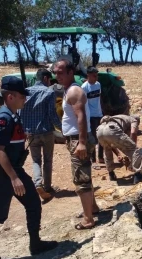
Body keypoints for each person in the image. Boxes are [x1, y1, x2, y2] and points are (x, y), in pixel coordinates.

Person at [0, 76, 58, 259]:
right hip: (5, 173)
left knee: (33, 203)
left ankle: (35, 243)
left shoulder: (13, 115)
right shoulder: (4, 117)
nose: (25, 98)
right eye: (22, 96)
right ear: (10, 97)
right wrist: (14, 178)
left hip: (13, 171)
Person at [53, 59, 99, 230]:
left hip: (78, 139)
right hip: (75, 139)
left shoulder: (73, 91)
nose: (57, 76)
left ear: (71, 72)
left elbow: (81, 117)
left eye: (61, 72)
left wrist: (81, 143)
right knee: (85, 175)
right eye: (55, 72)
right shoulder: (68, 90)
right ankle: (92, 208)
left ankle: (88, 219)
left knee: (81, 179)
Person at [20, 69, 62, 200]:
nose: (50, 82)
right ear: (45, 78)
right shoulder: (49, 92)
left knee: (36, 160)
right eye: (49, 80)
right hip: (46, 132)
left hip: (31, 133)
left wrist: (24, 130)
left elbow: (21, 112)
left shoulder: (26, 92)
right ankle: (47, 187)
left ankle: (38, 183)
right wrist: (62, 129)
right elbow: (52, 114)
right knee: (48, 160)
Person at [97, 114, 142, 184]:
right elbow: (133, 133)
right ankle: (138, 175)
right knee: (135, 150)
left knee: (107, 150)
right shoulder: (134, 120)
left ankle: (111, 174)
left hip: (99, 130)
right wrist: (132, 148)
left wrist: (118, 154)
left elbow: (112, 142)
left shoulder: (120, 118)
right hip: (112, 129)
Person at [81, 66, 104, 163]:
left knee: (102, 136)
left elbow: (100, 99)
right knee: (93, 138)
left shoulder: (98, 84)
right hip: (91, 116)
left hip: (99, 114)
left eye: (96, 75)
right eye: (94, 76)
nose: (96, 77)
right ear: (88, 75)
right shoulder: (84, 87)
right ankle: (93, 158)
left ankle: (101, 157)